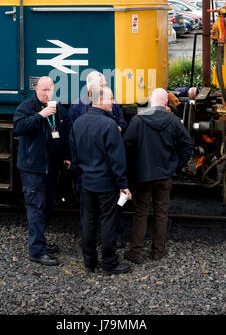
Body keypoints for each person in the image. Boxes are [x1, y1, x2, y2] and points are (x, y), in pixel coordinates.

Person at [123, 88, 193, 264]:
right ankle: (158, 251)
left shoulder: (138, 120)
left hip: (143, 176)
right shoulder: (174, 121)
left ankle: (136, 252)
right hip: (165, 176)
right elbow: (187, 145)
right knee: (162, 213)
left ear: (150, 101)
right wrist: (176, 166)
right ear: (165, 103)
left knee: (140, 213)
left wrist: (133, 168)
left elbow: (126, 146)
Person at [70, 85, 132, 275]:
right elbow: (117, 159)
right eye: (111, 99)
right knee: (107, 222)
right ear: (99, 100)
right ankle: (109, 264)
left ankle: (89, 262)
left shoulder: (78, 123)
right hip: (106, 184)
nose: (113, 103)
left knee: (88, 221)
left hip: (86, 182)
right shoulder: (109, 125)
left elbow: (74, 154)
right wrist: (123, 186)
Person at [13, 76, 71, 266]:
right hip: (33, 168)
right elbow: (18, 128)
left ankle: (41, 242)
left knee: (47, 206)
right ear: (36, 89)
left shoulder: (58, 107)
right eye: (43, 90)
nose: (46, 94)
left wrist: (67, 155)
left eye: (49, 90)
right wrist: (41, 115)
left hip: (51, 168)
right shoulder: (26, 107)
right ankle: (37, 251)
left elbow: (64, 133)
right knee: (36, 208)